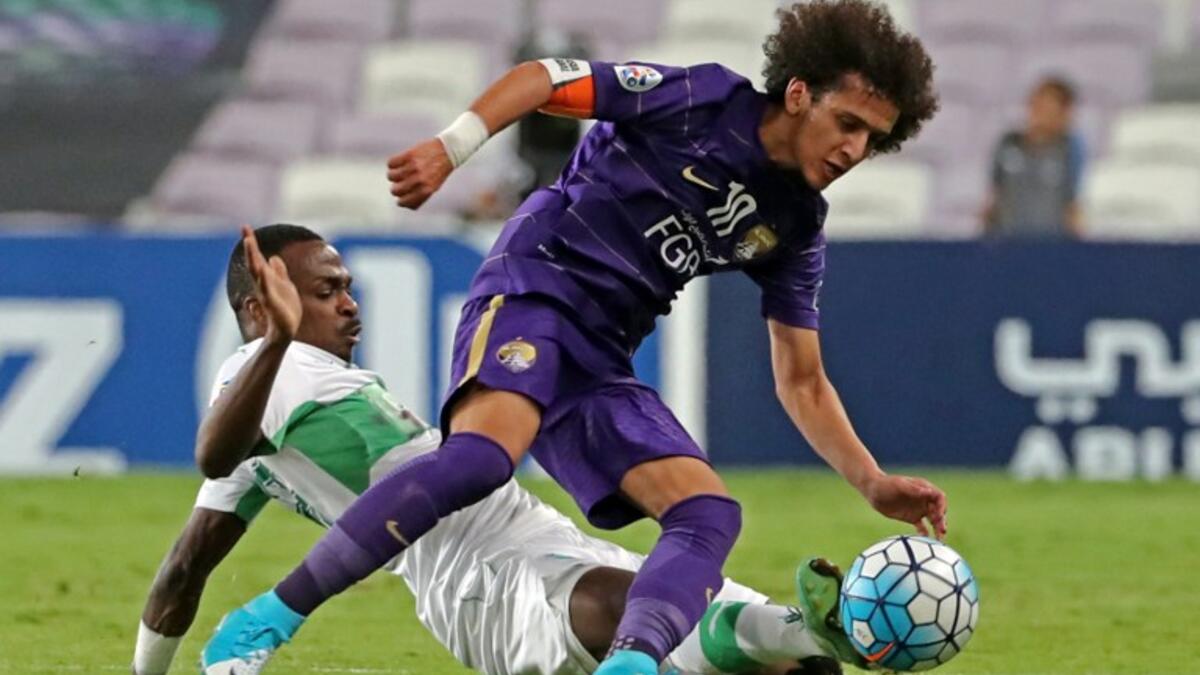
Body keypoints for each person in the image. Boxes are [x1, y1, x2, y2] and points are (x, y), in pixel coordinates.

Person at [205, 2, 948, 673]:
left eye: (873, 140)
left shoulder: (797, 225)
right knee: (480, 460)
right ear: (798, 94)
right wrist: (450, 147)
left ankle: (629, 665)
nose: (854, 151)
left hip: (601, 357)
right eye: (847, 123)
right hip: (534, 285)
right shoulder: (702, 99)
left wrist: (872, 480)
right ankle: (265, 619)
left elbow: (803, 379)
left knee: (710, 513)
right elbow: (542, 78)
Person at [134, 224, 858, 675]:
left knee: (787, 660)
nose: (349, 302)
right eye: (327, 291)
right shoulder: (270, 367)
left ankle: (801, 631)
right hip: (474, 577)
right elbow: (213, 453)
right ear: (263, 306)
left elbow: (183, 568)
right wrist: (280, 339)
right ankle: (807, 625)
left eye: (348, 287)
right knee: (635, 613)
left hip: (537, 533)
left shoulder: (286, 399)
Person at [982, 75, 1086, 238]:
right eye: (1037, 105)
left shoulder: (1069, 150)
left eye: (1048, 108)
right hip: (1008, 245)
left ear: (1064, 113)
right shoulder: (1008, 144)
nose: (1039, 113)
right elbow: (994, 197)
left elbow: (1073, 205)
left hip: (1051, 249)